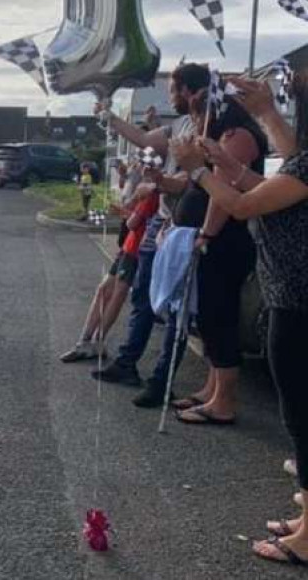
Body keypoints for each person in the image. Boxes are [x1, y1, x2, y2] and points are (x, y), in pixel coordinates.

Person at [171, 74, 308, 568]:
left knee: (300, 412)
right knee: (299, 409)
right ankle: (307, 521)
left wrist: (200, 172)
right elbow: (265, 181)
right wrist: (222, 161)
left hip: (299, 301)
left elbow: (247, 202)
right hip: (290, 298)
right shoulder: (301, 160)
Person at [91, 63, 204, 403]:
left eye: (173, 89)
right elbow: (142, 139)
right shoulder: (178, 125)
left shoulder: (205, 128)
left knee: (175, 306)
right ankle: (128, 362)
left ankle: (161, 381)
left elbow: (193, 180)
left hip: (185, 226)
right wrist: (109, 117)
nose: (170, 94)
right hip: (161, 222)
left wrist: (159, 183)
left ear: (189, 91)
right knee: (142, 293)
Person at [161, 78, 266, 424]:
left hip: (225, 240)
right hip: (214, 239)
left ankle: (224, 401)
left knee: (219, 316)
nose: (198, 117)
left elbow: (222, 194)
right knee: (207, 316)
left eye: (201, 110)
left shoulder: (236, 137)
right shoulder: (222, 137)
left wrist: (206, 234)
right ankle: (211, 389)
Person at [59, 181, 159, 362]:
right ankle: (86, 341)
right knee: (104, 290)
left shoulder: (154, 195)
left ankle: (96, 342)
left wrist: (122, 211)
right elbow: (131, 209)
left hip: (137, 249)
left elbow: (132, 222)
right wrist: (135, 196)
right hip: (129, 247)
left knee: (116, 295)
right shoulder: (146, 191)